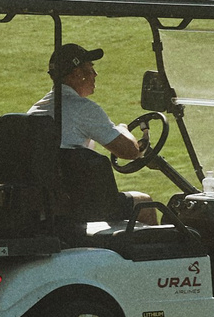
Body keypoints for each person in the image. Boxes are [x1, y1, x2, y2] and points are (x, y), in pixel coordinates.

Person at [29, 42, 162, 225]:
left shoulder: (37, 110)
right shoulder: (83, 109)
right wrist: (123, 130)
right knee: (145, 203)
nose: (95, 74)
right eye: (90, 69)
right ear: (77, 74)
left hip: (50, 201)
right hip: (80, 204)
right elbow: (130, 151)